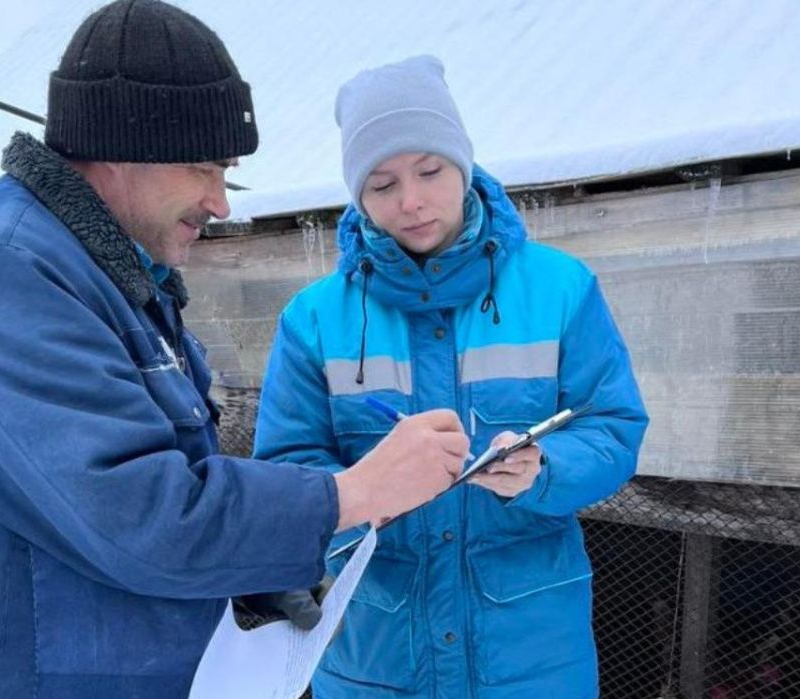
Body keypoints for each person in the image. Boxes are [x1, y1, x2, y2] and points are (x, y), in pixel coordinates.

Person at [0, 5, 470, 697]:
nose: (220, 201)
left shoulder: (116, 277)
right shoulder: (0, 275)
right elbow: (137, 514)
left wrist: (261, 573)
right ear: (121, 148)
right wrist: (353, 492)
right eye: (202, 167)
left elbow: (177, 473)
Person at [253, 55, 649, 698]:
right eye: (381, 185)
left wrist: (541, 467)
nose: (410, 201)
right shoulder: (314, 320)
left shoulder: (560, 289)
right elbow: (287, 465)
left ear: (463, 165)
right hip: (377, 657)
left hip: (529, 657)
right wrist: (363, 487)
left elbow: (614, 427)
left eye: (429, 171)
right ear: (356, 195)